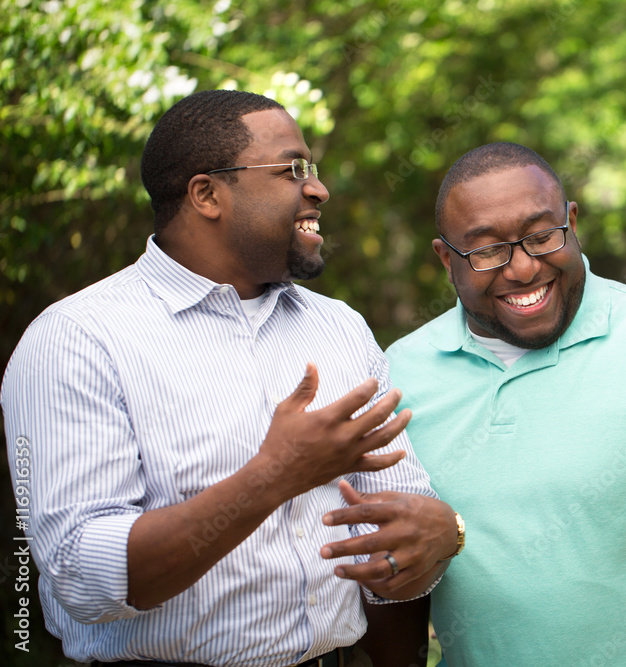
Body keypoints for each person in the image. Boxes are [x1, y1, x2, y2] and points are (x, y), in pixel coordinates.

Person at [1, 90, 463, 667]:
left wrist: (437, 539)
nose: (318, 188)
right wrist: (272, 476)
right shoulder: (78, 338)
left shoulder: (340, 327)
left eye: (312, 169)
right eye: (293, 169)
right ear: (207, 194)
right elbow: (82, 578)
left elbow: (399, 535)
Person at [355, 141, 626, 666]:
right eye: (488, 250)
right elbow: (391, 574)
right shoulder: (399, 375)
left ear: (572, 222)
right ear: (447, 259)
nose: (521, 269)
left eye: (541, 236)